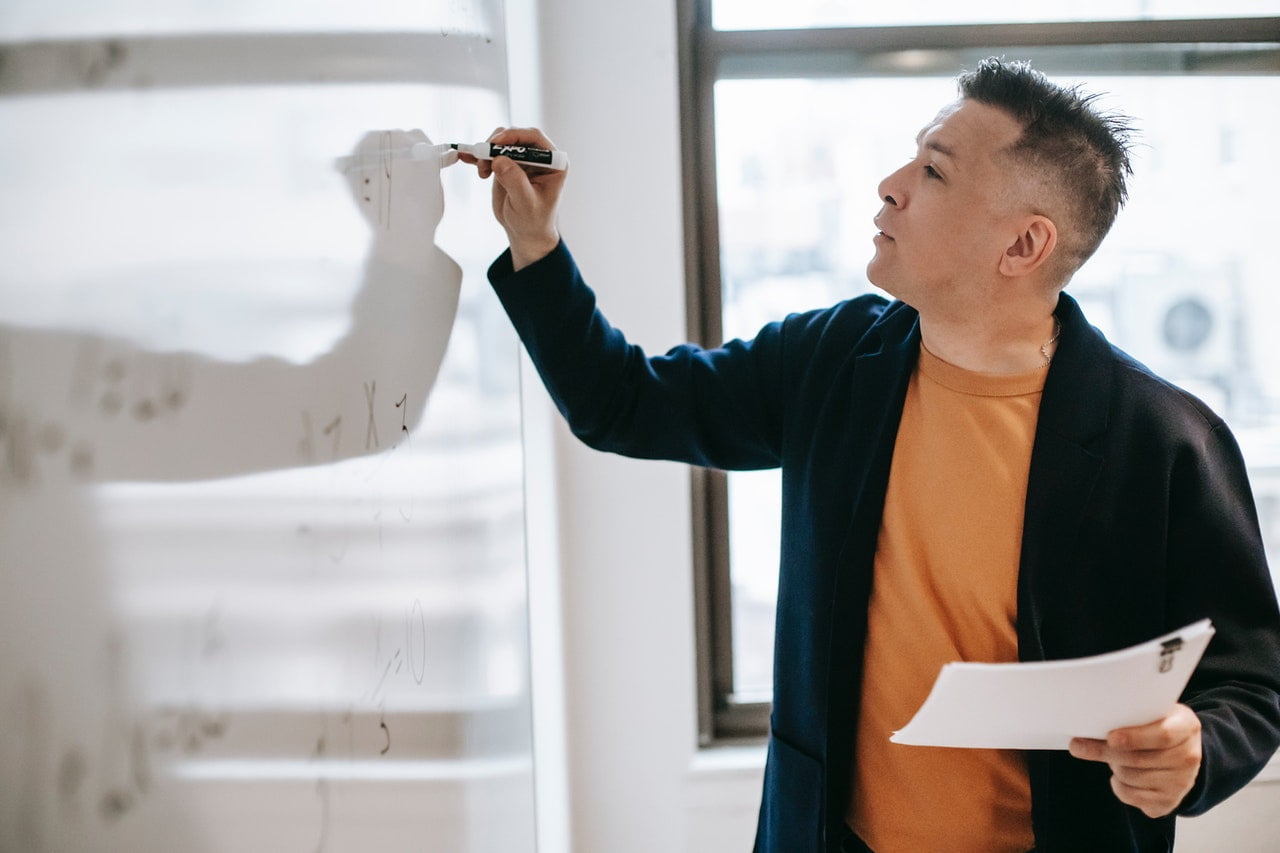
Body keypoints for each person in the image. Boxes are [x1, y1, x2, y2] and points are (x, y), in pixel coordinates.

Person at [462, 58, 1280, 852]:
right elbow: (624, 403)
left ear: (1024, 245)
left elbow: (1252, 681)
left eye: (935, 171)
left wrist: (1197, 745)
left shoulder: (1166, 439)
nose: (890, 184)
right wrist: (536, 241)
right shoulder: (834, 359)